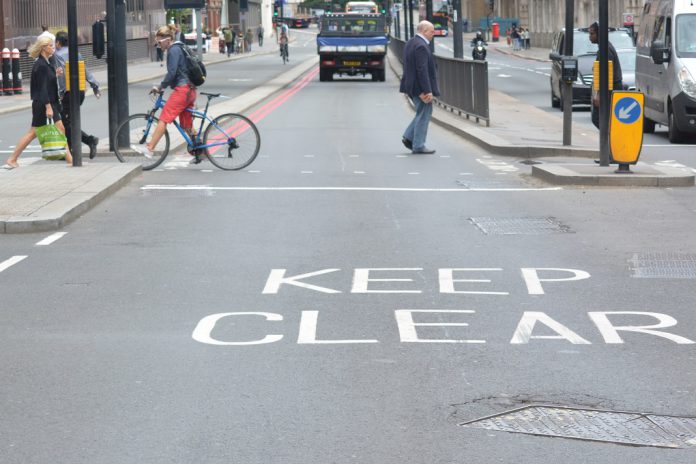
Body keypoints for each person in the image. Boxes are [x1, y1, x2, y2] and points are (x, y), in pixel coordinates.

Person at [3, 36, 72, 169]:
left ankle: (70, 159)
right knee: (33, 133)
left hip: (48, 103)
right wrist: (48, 107)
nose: (53, 47)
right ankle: (12, 159)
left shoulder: (45, 63)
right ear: (44, 48)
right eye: (51, 46)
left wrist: (54, 73)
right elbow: (42, 88)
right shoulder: (40, 65)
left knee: (60, 129)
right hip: (44, 104)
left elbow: (46, 80)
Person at [130, 25, 197, 162]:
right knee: (186, 124)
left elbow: (171, 73)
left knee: (163, 119)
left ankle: (149, 148)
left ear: (168, 40)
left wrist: (160, 87)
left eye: (159, 42)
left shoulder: (173, 50)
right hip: (191, 90)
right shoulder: (180, 47)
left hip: (183, 90)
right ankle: (200, 149)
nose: (158, 45)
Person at [54, 31, 101, 159]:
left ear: (58, 42)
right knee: (68, 121)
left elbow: (62, 77)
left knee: (65, 122)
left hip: (68, 92)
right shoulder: (76, 53)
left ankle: (89, 140)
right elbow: (84, 71)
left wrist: (61, 93)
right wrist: (95, 86)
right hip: (79, 92)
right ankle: (69, 152)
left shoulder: (57, 55)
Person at [399, 20, 440, 155]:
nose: (433, 34)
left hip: (411, 85)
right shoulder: (421, 46)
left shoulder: (411, 42)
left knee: (421, 112)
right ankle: (418, 145)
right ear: (424, 31)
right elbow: (421, 70)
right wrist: (427, 91)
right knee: (425, 113)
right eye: (431, 32)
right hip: (419, 88)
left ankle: (409, 137)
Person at [588, 21, 623, 129]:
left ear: (599, 34)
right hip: (609, 89)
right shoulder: (604, 47)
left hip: (609, 90)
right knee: (604, 119)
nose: (590, 37)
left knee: (599, 118)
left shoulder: (605, 50)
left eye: (592, 34)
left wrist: (599, 95)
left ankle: (609, 140)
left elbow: (606, 74)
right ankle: (608, 140)